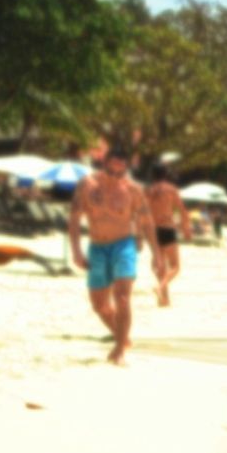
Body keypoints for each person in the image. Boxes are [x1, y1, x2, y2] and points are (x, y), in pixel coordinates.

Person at [69, 144, 157, 364]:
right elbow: (74, 219)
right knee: (99, 305)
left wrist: (157, 254)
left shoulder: (132, 190)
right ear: (104, 164)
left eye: (121, 172)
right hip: (97, 247)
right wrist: (77, 251)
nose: (116, 176)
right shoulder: (87, 185)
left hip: (124, 245)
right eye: (112, 171)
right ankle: (123, 337)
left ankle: (119, 350)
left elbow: (146, 221)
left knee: (123, 297)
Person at [146, 165, 191, 307]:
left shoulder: (148, 190)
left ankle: (164, 299)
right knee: (175, 266)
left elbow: (142, 213)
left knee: (159, 266)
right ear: (166, 175)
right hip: (167, 229)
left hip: (153, 231)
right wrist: (186, 228)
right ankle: (160, 287)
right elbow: (182, 210)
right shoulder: (171, 189)